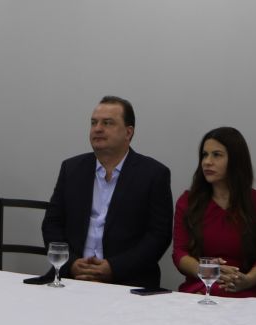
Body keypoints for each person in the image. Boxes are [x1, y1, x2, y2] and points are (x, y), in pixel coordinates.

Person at [40, 96, 173, 288]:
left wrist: (114, 268)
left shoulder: (153, 174)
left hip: (127, 281)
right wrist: (71, 263)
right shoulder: (71, 169)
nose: (98, 129)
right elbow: (52, 224)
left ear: (128, 132)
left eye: (107, 123)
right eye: (94, 123)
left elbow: (158, 236)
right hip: (71, 278)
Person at [171, 127, 256, 298]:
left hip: (248, 291)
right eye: (204, 155)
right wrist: (208, 271)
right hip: (201, 288)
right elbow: (180, 253)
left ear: (236, 160)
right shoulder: (188, 202)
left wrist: (246, 280)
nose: (207, 162)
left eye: (217, 155)